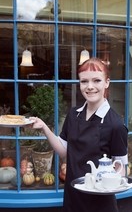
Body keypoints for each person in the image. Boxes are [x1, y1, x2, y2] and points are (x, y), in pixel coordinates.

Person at [30, 57, 128, 212]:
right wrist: (44, 128)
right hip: (72, 198)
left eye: (96, 80)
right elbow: (63, 150)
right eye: (84, 81)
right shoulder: (73, 114)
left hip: (100, 204)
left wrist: (108, 184)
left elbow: (121, 167)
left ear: (107, 83)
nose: (90, 87)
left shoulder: (115, 124)